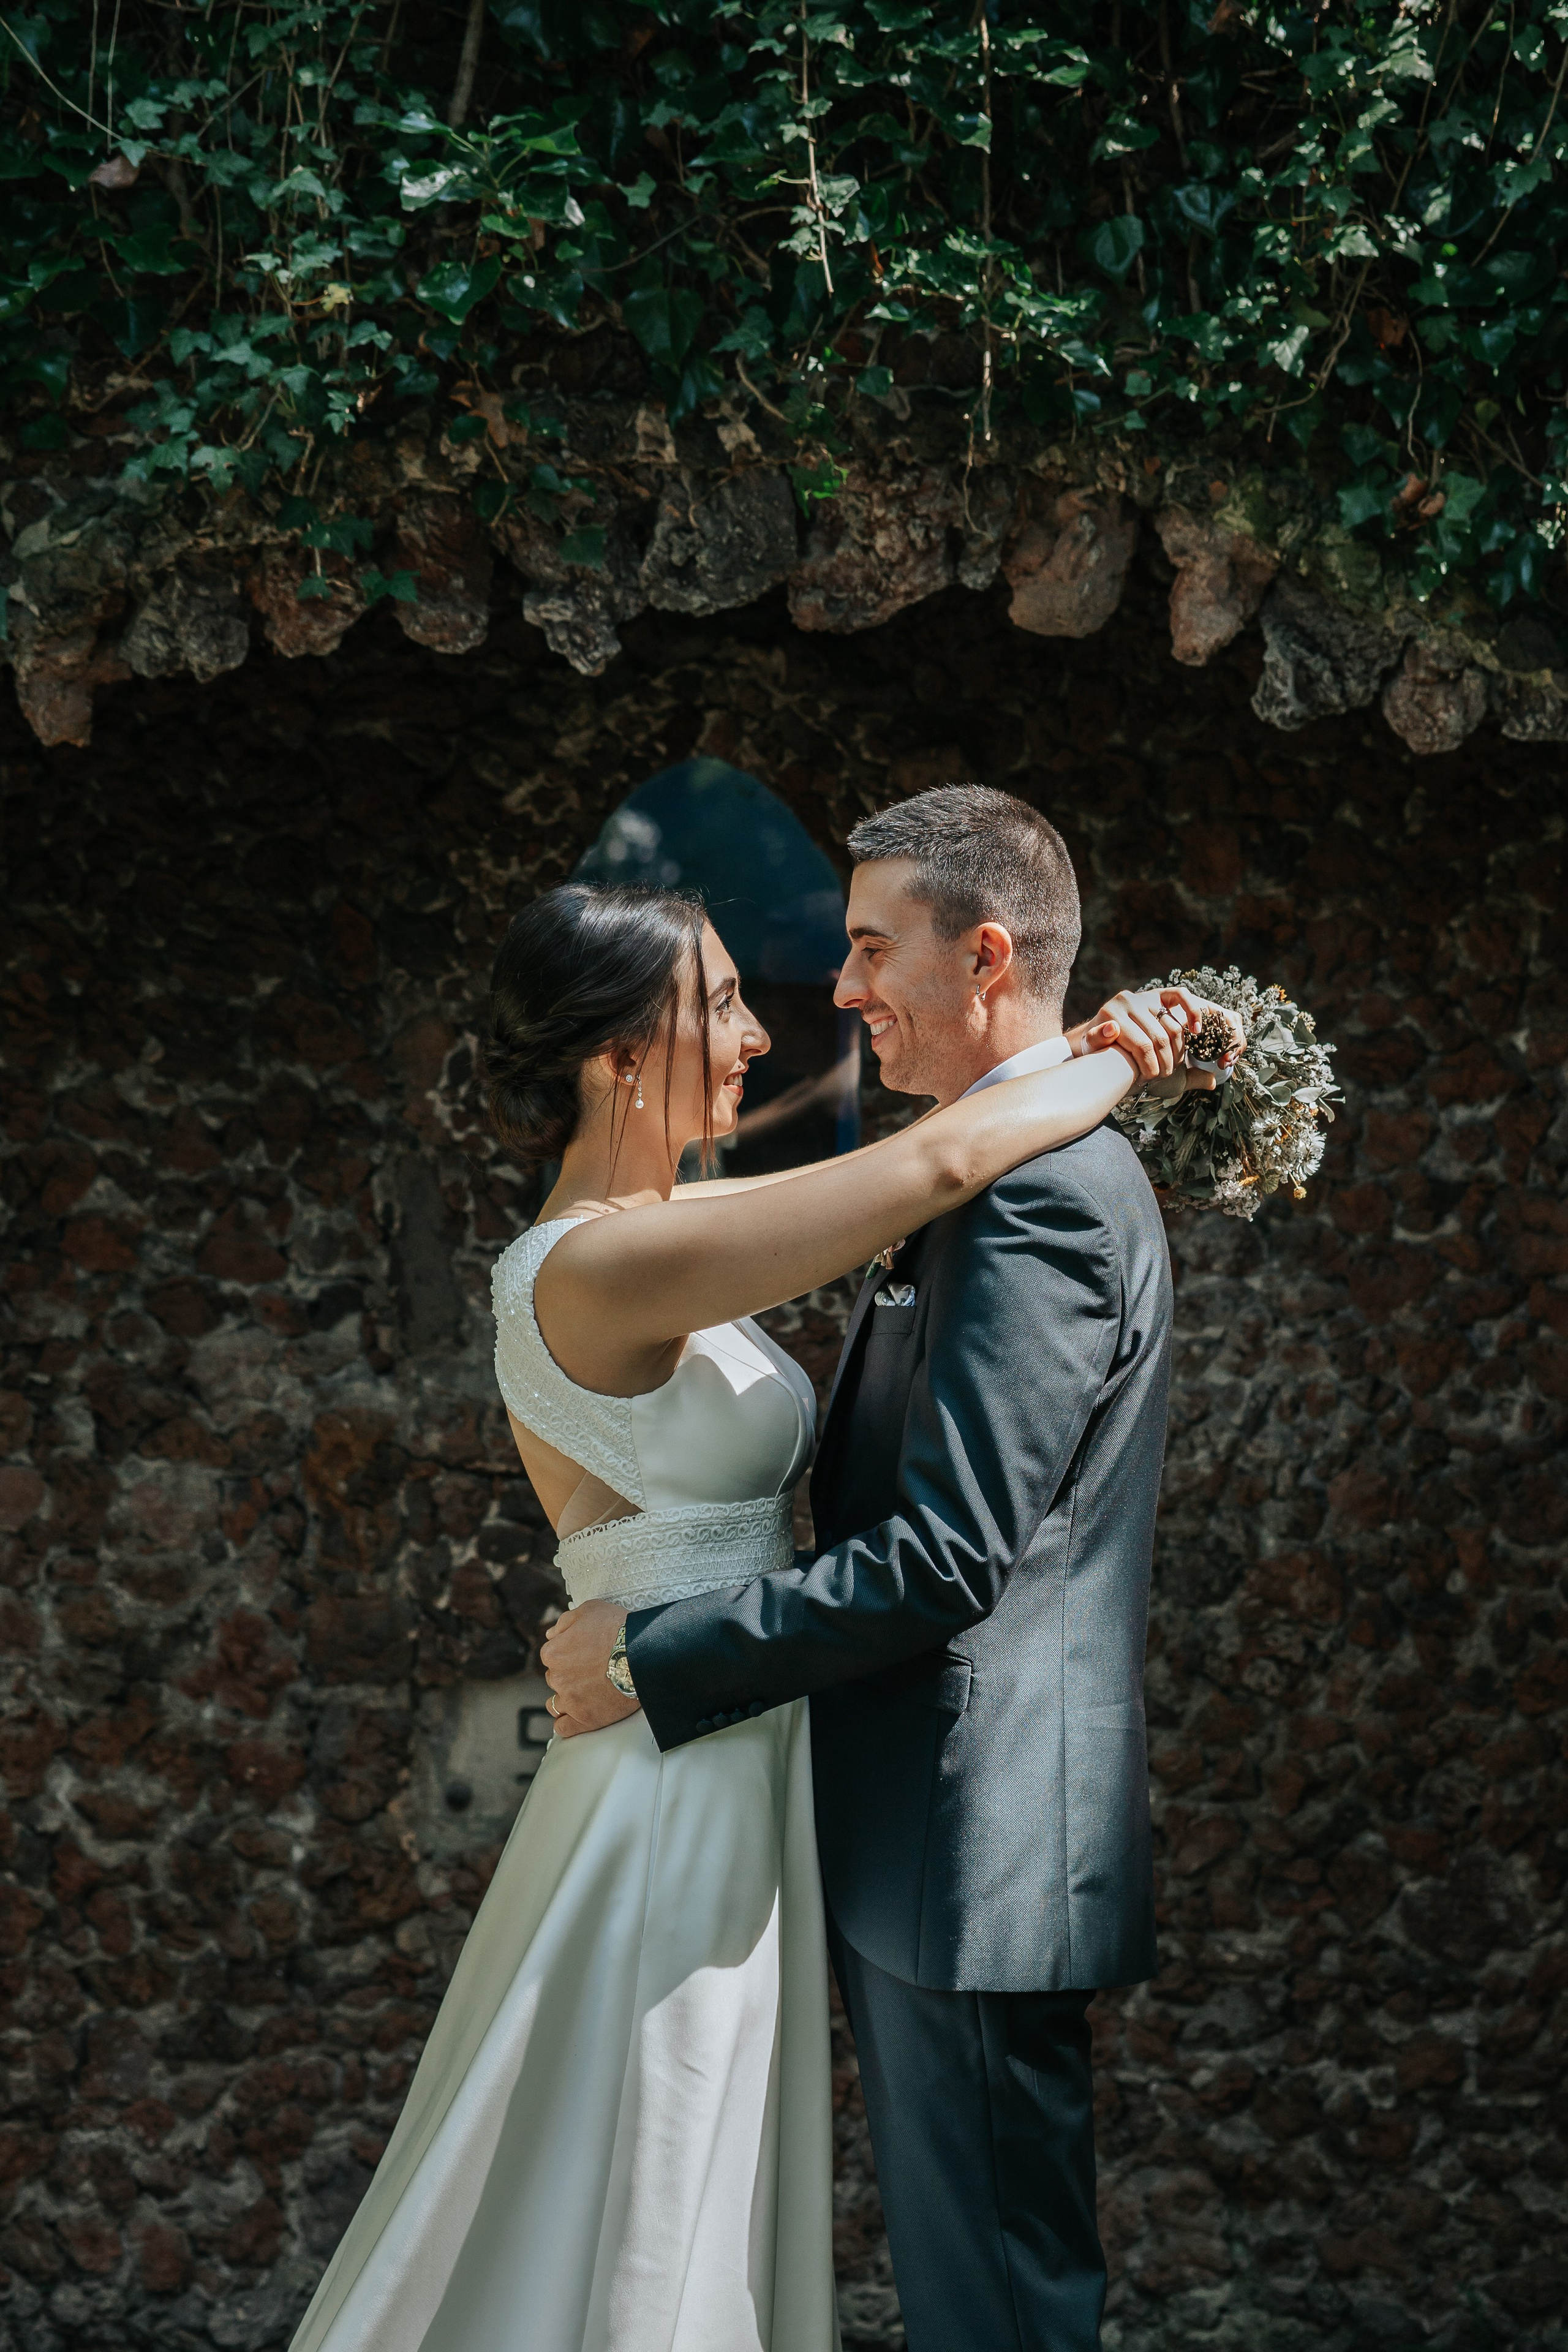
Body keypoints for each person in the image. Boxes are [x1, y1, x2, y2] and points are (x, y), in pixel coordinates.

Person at [286, 842, 1221, 2352]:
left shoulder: (676, 1236)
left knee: (697, 2171)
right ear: (616, 1050)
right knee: (647, 2170)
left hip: (729, 1741)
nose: (767, 1033)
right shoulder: (604, 1262)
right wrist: (1111, 1051)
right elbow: (924, 1170)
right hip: (670, 1775)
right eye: (721, 1005)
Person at [542, 786, 1237, 2352]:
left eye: (869, 947)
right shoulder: (988, 1170)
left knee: (995, 2298)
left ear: (984, 957)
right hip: (926, 1831)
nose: (838, 991)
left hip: (971, 1840)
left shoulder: (1041, 1198)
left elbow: (942, 1560)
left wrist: (657, 1654)